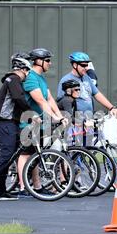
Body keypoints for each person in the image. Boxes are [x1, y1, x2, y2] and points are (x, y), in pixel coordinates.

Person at [18, 47, 68, 197]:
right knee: (25, 155)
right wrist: (55, 117)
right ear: (38, 61)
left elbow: (50, 98)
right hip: (27, 122)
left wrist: (60, 116)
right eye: (47, 60)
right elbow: (40, 100)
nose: (50, 63)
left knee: (35, 154)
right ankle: (22, 187)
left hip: (38, 123)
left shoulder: (41, 78)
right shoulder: (31, 77)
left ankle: (37, 186)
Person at [0, 53, 33, 200]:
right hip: (5, 122)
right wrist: (32, 115)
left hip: (10, 122)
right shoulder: (14, 80)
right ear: (20, 69)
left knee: (11, 154)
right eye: (27, 70)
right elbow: (18, 99)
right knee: (7, 153)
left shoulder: (13, 81)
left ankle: (1, 189)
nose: (27, 74)